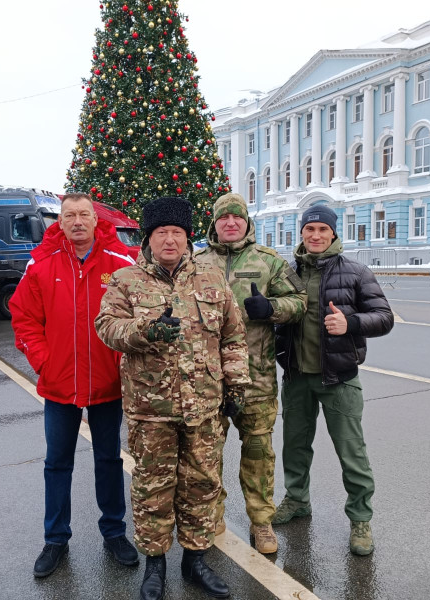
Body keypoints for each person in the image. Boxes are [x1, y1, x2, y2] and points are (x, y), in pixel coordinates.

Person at [95, 196, 251, 600]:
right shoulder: (126, 280)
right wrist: (146, 330)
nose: (169, 240)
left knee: (201, 483)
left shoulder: (212, 278)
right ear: (149, 238)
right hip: (151, 411)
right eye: (161, 232)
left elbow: (233, 336)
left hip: (204, 407)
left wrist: (235, 387)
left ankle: (195, 560)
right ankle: (155, 564)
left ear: (187, 237)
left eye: (176, 233)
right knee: (152, 488)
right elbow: (107, 327)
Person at [9, 192, 138, 578]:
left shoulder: (120, 264)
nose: (78, 221)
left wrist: (121, 363)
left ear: (96, 221)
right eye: (70, 216)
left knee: (109, 460)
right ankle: (55, 539)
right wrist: (43, 361)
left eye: (85, 214)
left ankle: (114, 532)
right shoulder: (42, 265)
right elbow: (24, 317)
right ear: (60, 222)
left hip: (107, 384)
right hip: (59, 384)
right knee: (57, 463)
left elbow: (136, 315)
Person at [272, 204, 393, 556]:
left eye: (322, 230)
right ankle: (297, 500)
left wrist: (350, 323)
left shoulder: (355, 272)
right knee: (294, 447)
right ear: (301, 233)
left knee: (351, 452)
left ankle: (360, 519)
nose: (315, 236)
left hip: (338, 378)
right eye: (309, 230)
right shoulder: (287, 272)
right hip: (296, 378)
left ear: (333, 234)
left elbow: (384, 317)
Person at [194, 192, 306, 555]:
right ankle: (214, 515)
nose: (231, 223)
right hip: (209, 380)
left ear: (246, 222)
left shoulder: (268, 262)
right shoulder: (195, 263)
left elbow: (300, 302)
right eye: (224, 218)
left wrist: (270, 308)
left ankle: (261, 522)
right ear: (215, 223)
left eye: (237, 218)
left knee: (258, 450)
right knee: (207, 452)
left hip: (256, 379)